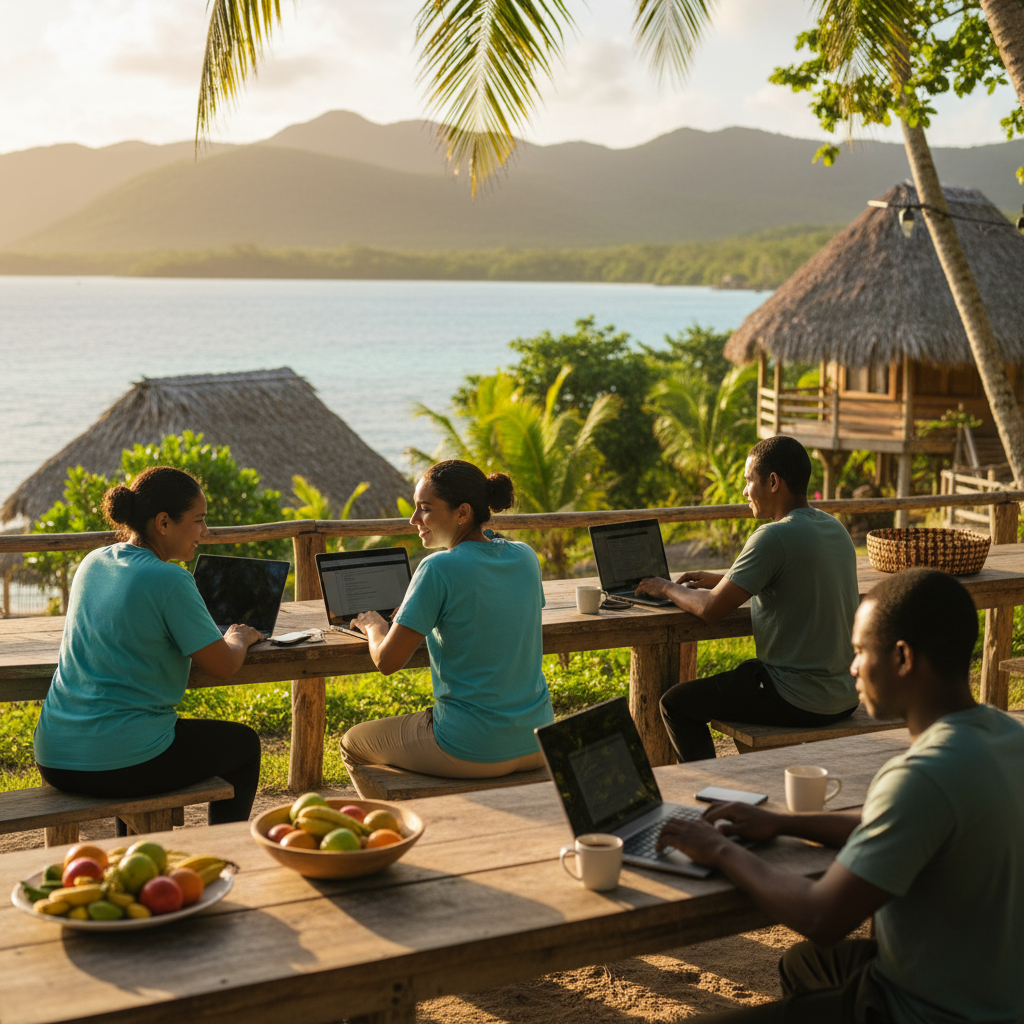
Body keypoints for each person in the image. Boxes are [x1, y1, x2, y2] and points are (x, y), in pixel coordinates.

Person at [656, 568, 1024, 1023]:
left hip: (926, 1008)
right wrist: (784, 822)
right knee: (804, 964)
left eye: (859, 651)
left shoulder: (922, 776)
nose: (851, 668)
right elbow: (895, 823)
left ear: (902, 657)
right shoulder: (1007, 736)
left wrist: (721, 850)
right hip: (994, 987)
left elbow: (821, 918)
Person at [33, 466, 264, 827]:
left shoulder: (92, 562)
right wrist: (238, 637)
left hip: (54, 756)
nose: (205, 532)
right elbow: (223, 665)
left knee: (138, 738)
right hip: (121, 763)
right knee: (245, 745)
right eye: (198, 520)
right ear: (163, 523)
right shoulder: (171, 579)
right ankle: (224, 851)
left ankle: (135, 845)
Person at [636, 435, 859, 761]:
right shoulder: (834, 528)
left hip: (801, 698)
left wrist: (666, 587)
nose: (744, 492)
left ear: (772, 482)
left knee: (676, 704)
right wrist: (724, 580)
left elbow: (711, 609)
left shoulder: (772, 536)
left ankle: (715, 788)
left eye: (748, 481)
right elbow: (788, 576)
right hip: (846, 694)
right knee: (744, 674)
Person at [340, 459, 553, 778]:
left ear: (463, 512)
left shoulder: (437, 567)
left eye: (425, 508)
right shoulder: (525, 556)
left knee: (351, 744)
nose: (414, 519)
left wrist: (375, 626)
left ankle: (403, 824)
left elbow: (387, 661)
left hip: (472, 746)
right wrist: (421, 611)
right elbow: (489, 608)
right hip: (538, 739)